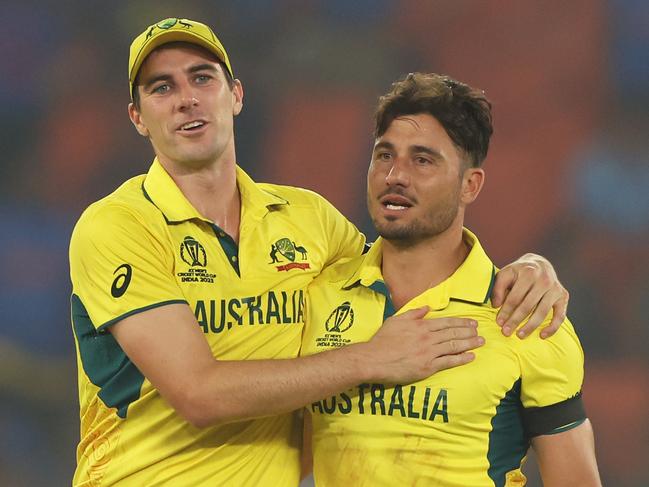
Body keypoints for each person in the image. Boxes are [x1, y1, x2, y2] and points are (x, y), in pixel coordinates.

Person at [69, 18, 570, 486]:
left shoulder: (308, 219)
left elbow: (412, 263)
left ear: (236, 95)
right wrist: (369, 359)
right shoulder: (117, 225)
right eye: (162, 87)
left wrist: (531, 267)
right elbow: (199, 393)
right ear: (138, 117)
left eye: (202, 79)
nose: (186, 99)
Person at [302, 73, 601, 486]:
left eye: (422, 160)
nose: (395, 176)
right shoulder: (318, 296)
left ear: (469, 185)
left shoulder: (526, 318)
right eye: (384, 155)